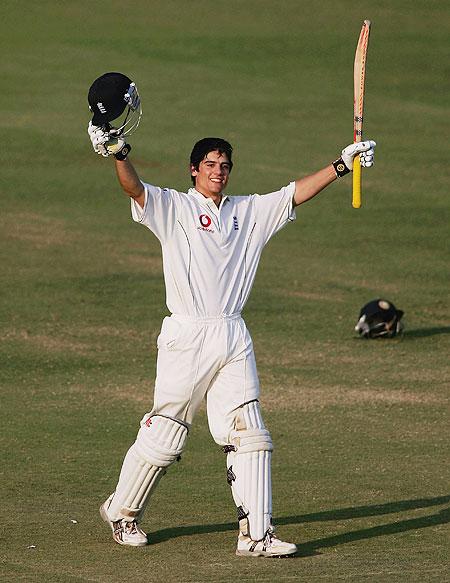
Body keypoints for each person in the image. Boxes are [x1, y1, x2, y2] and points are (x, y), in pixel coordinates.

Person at [87, 82, 376, 558]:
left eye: (225, 166)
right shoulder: (174, 207)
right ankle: (122, 512)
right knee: (167, 433)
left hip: (232, 332)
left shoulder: (248, 212)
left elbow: (294, 195)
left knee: (250, 430)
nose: (218, 172)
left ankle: (255, 535)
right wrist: (118, 153)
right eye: (210, 166)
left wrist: (342, 164)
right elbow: (133, 188)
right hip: (187, 333)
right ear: (193, 171)